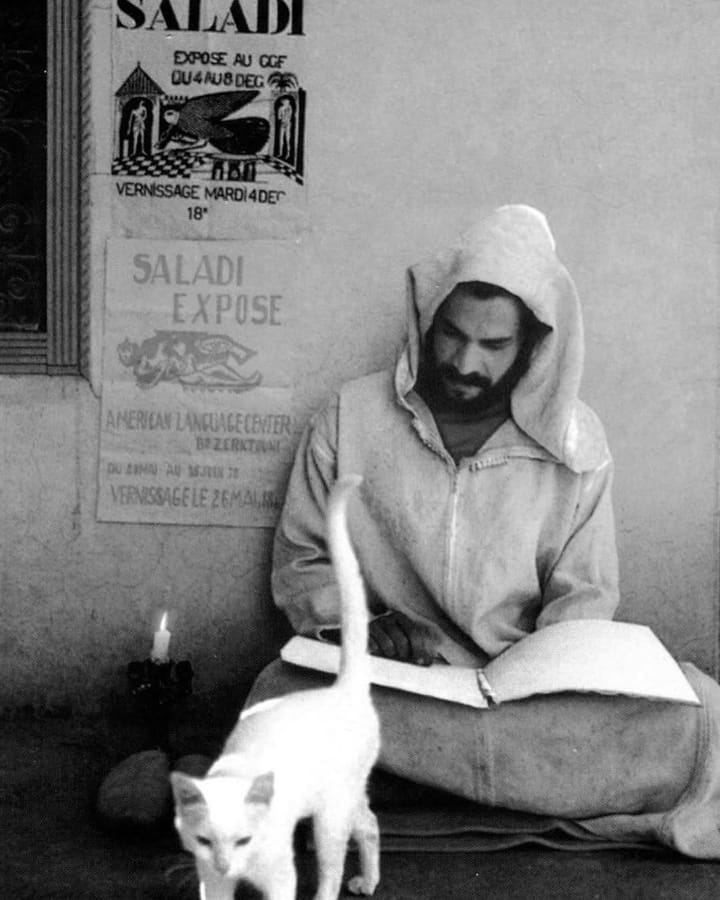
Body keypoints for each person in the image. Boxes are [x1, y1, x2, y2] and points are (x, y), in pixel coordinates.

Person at [246, 204, 720, 859]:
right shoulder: (349, 418)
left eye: (494, 346)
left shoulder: (577, 447)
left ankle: (411, 784)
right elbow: (302, 558)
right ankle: (510, 787)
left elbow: (585, 602)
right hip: (397, 686)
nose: (465, 361)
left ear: (532, 346)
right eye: (452, 335)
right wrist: (360, 624)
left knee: (698, 714)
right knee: (282, 692)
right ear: (429, 321)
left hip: (529, 708)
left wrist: (544, 679)